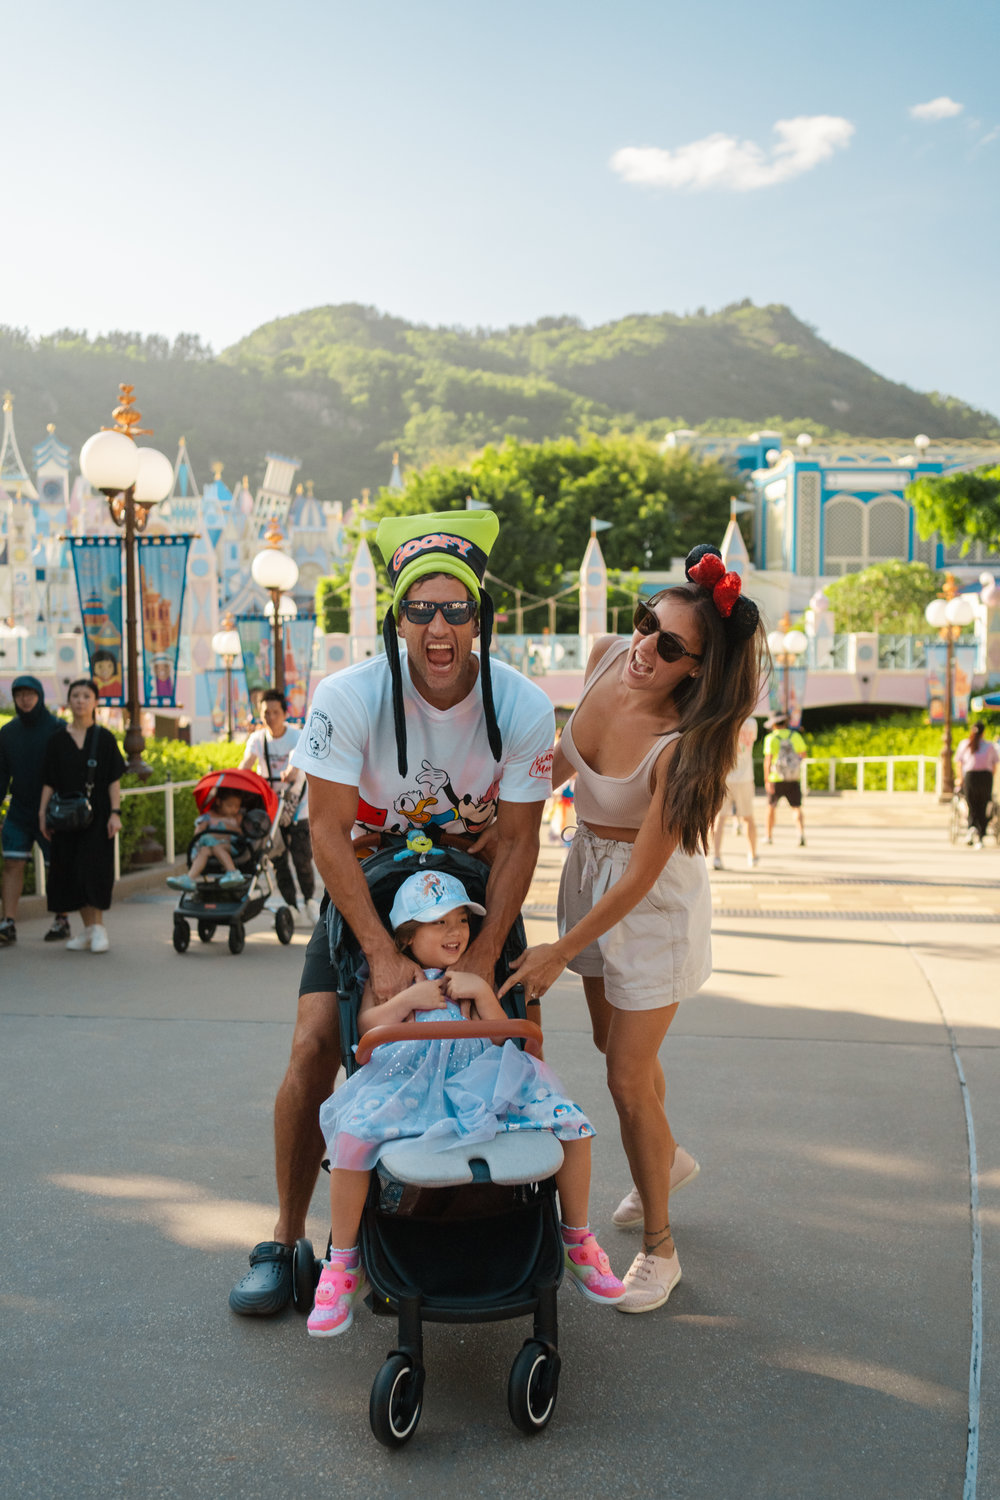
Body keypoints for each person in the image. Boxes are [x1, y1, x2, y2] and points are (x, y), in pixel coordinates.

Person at [229, 509, 555, 1317]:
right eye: (420, 610)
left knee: (493, 1047)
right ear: (396, 618)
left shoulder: (521, 703)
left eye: (456, 610)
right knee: (313, 1047)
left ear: (482, 619)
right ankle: (286, 1238)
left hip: (472, 892)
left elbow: (517, 842)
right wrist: (378, 950)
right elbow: (329, 834)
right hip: (368, 887)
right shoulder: (349, 694)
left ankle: (462, 1226)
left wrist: (479, 960)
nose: (438, 628)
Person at [499, 545, 766, 1315]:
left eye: (671, 646)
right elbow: (561, 763)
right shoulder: (608, 655)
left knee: (623, 1077)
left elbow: (647, 873)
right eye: (647, 624)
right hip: (587, 870)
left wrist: (559, 947)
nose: (646, 648)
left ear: (698, 670)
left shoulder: (686, 745)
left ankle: (660, 1246)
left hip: (648, 911)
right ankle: (668, 1154)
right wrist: (487, 818)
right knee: (611, 1049)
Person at [306, 869, 624, 1336]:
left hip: (480, 1082)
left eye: (461, 919)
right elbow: (366, 1029)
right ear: (407, 936)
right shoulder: (393, 979)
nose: (455, 932)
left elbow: (504, 1040)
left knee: (572, 1123)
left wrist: (481, 994)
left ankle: (577, 1240)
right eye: (439, 923)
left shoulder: (472, 977)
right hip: (409, 1083)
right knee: (352, 1139)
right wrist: (407, 1000)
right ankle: (343, 1263)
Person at [39, 679, 126, 954]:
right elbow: (48, 781)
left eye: (86, 695)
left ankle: (98, 929)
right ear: (69, 701)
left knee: (94, 870)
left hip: (98, 815)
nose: (80, 700)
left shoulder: (105, 738)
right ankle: (89, 931)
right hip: (65, 817)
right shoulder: (56, 740)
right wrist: (42, 814)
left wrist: (115, 813)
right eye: (75, 695)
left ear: (95, 702)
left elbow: (114, 780)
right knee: (71, 872)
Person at [0, 676, 71, 946]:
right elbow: (1, 776)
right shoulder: (7, 733)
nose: (25, 699)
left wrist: (63, 810)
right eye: (19, 695)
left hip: (52, 811)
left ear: (40, 696)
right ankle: (7, 923)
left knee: (56, 867)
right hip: (19, 811)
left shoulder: (58, 728)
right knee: (12, 863)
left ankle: (61, 919)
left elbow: (67, 773)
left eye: (30, 694)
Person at [241, 689, 319, 924]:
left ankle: (309, 901)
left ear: (285, 713)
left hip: (298, 808)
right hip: (270, 809)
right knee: (277, 859)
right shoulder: (257, 740)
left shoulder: (297, 736)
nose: (271, 717)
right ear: (260, 714)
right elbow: (246, 765)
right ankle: (291, 904)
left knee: (301, 858)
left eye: (276, 712)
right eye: (266, 712)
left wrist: (292, 770)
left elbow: (299, 759)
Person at [167, 788, 247, 890]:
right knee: (205, 849)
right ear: (219, 802)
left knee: (216, 847)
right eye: (230, 805)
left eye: (237, 806)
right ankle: (190, 878)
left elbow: (241, 832)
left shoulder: (237, 817)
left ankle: (233, 871)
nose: (234, 809)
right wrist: (200, 829)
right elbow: (199, 830)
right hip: (212, 845)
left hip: (231, 846)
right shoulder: (209, 816)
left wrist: (228, 827)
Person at [713, 715, 760, 870]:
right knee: (748, 818)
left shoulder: (722, 719)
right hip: (745, 777)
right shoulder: (751, 723)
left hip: (724, 776)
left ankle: (716, 856)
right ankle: (752, 855)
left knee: (719, 818)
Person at [763, 712, 807, 847]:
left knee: (771, 808)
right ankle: (800, 834)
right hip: (792, 777)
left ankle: (768, 836)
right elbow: (803, 755)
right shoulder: (795, 736)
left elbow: (768, 760)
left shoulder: (771, 738)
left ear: (774, 724)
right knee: (796, 807)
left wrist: (767, 780)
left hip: (776, 778)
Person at [955, 721, 999, 848]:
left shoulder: (965, 744)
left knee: (972, 804)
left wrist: (960, 778)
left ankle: (973, 828)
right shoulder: (989, 746)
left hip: (971, 777)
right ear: (984, 732)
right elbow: (994, 766)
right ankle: (977, 830)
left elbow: (959, 764)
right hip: (985, 777)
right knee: (982, 805)